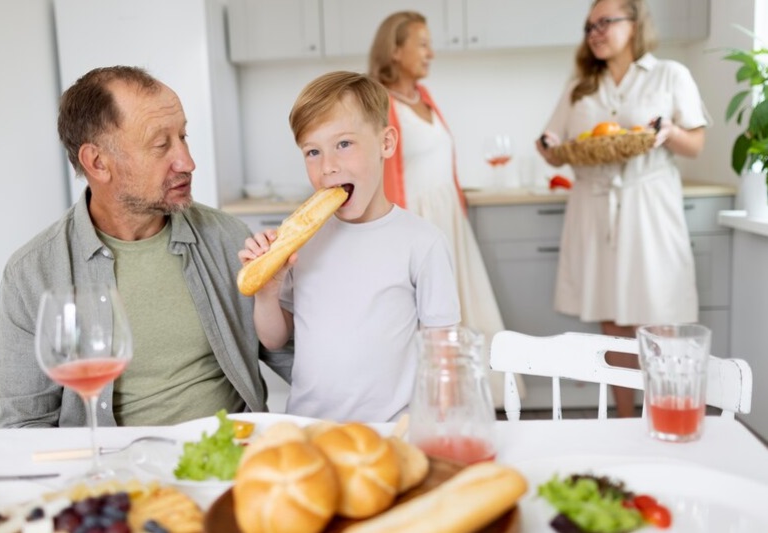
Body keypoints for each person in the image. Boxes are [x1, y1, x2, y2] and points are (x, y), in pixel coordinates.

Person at [0, 66, 288, 428]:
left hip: (231, 457)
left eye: (183, 136)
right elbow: (25, 425)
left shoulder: (228, 238)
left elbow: (293, 360)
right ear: (98, 163)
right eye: (161, 145)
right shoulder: (32, 273)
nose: (187, 162)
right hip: (118, 473)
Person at [239, 71, 461, 423]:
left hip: (391, 429)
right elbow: (274, 340)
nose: (328, 167)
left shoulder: (423, 242)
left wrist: (437, 427)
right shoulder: (299, 242)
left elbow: (443, 352)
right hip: (308, 426)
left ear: (386, 143)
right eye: (313, 151)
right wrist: (267, 291)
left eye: (344, 144)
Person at [536, 0, 708, 417]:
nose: (595, 32)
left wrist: (668, 132)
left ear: (634, 25)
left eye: (605, 22)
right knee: (611, 320)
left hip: (648, 206)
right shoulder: (580, 86)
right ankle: (624, 417)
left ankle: (664, 411)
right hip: (594, 208)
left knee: (658, 313)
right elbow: (549, 142)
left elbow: (697, 144)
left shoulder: (670, 74)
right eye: (589, 26)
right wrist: (548, 148)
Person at [368, 11, 511, 404]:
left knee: (461, 308)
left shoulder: (423, 98)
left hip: (448, 218)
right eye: (423, 44)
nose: (431, 53)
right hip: (417, 218)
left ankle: (473, 400)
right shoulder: (378, 100)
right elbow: (375, 166)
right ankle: (432, 402)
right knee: (426, 317)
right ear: (395, 51)